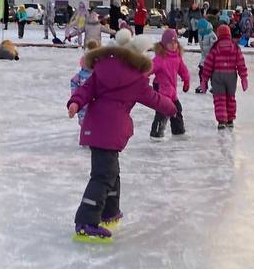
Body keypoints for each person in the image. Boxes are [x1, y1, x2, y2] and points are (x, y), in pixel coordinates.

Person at [67, 29, 176, 241]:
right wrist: (172, 108)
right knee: (103, 176)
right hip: (112, 132)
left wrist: (75, 102)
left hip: (95, 129)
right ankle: (86, 222)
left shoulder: (101, 70)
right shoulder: (136, 80)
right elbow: (155, 99)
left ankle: (109, 212)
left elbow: (86, 89)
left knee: (111, 173)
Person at [201, 24, 248, 130]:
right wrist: (244, 77)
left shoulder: (215, 48)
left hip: (218, 75)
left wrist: (204, 79)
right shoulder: (235, 47)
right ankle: (230, 120)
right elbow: (241, 63)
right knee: (230, 98)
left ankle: (222, 121)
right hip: (231, 76)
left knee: (219, 99)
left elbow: (208, 64)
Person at [149, 28, 191, 139]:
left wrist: (186, 81)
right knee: (162, 112)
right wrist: (141, 78)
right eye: (170, 43)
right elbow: (149, 68)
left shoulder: (177, 57)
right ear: (164, 44)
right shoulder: (160, 58)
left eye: (175, 42)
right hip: (161, 88)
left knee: (177, 109)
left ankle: (178, 132)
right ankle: (156, 134)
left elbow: (183, 70)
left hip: (171, 90)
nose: (173, 45)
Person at [70, 40, 101, 129]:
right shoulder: (81, 75)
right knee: (87, 127)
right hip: (85, 107)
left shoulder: (100, 74)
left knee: (92, 128)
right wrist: (75, 100)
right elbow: (74, 84)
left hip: (93, 107)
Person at [195, 17, 216, 94]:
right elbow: (202, 48)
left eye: (201, 29)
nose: (200, 30)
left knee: (212, 73)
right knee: (201, 71)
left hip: (212, 58)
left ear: (204, 27)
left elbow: (215, 47)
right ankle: (203, 85)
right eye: (199, 29)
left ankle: (215, 86)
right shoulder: (200, 34)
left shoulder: (211, 35)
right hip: (204, 57)